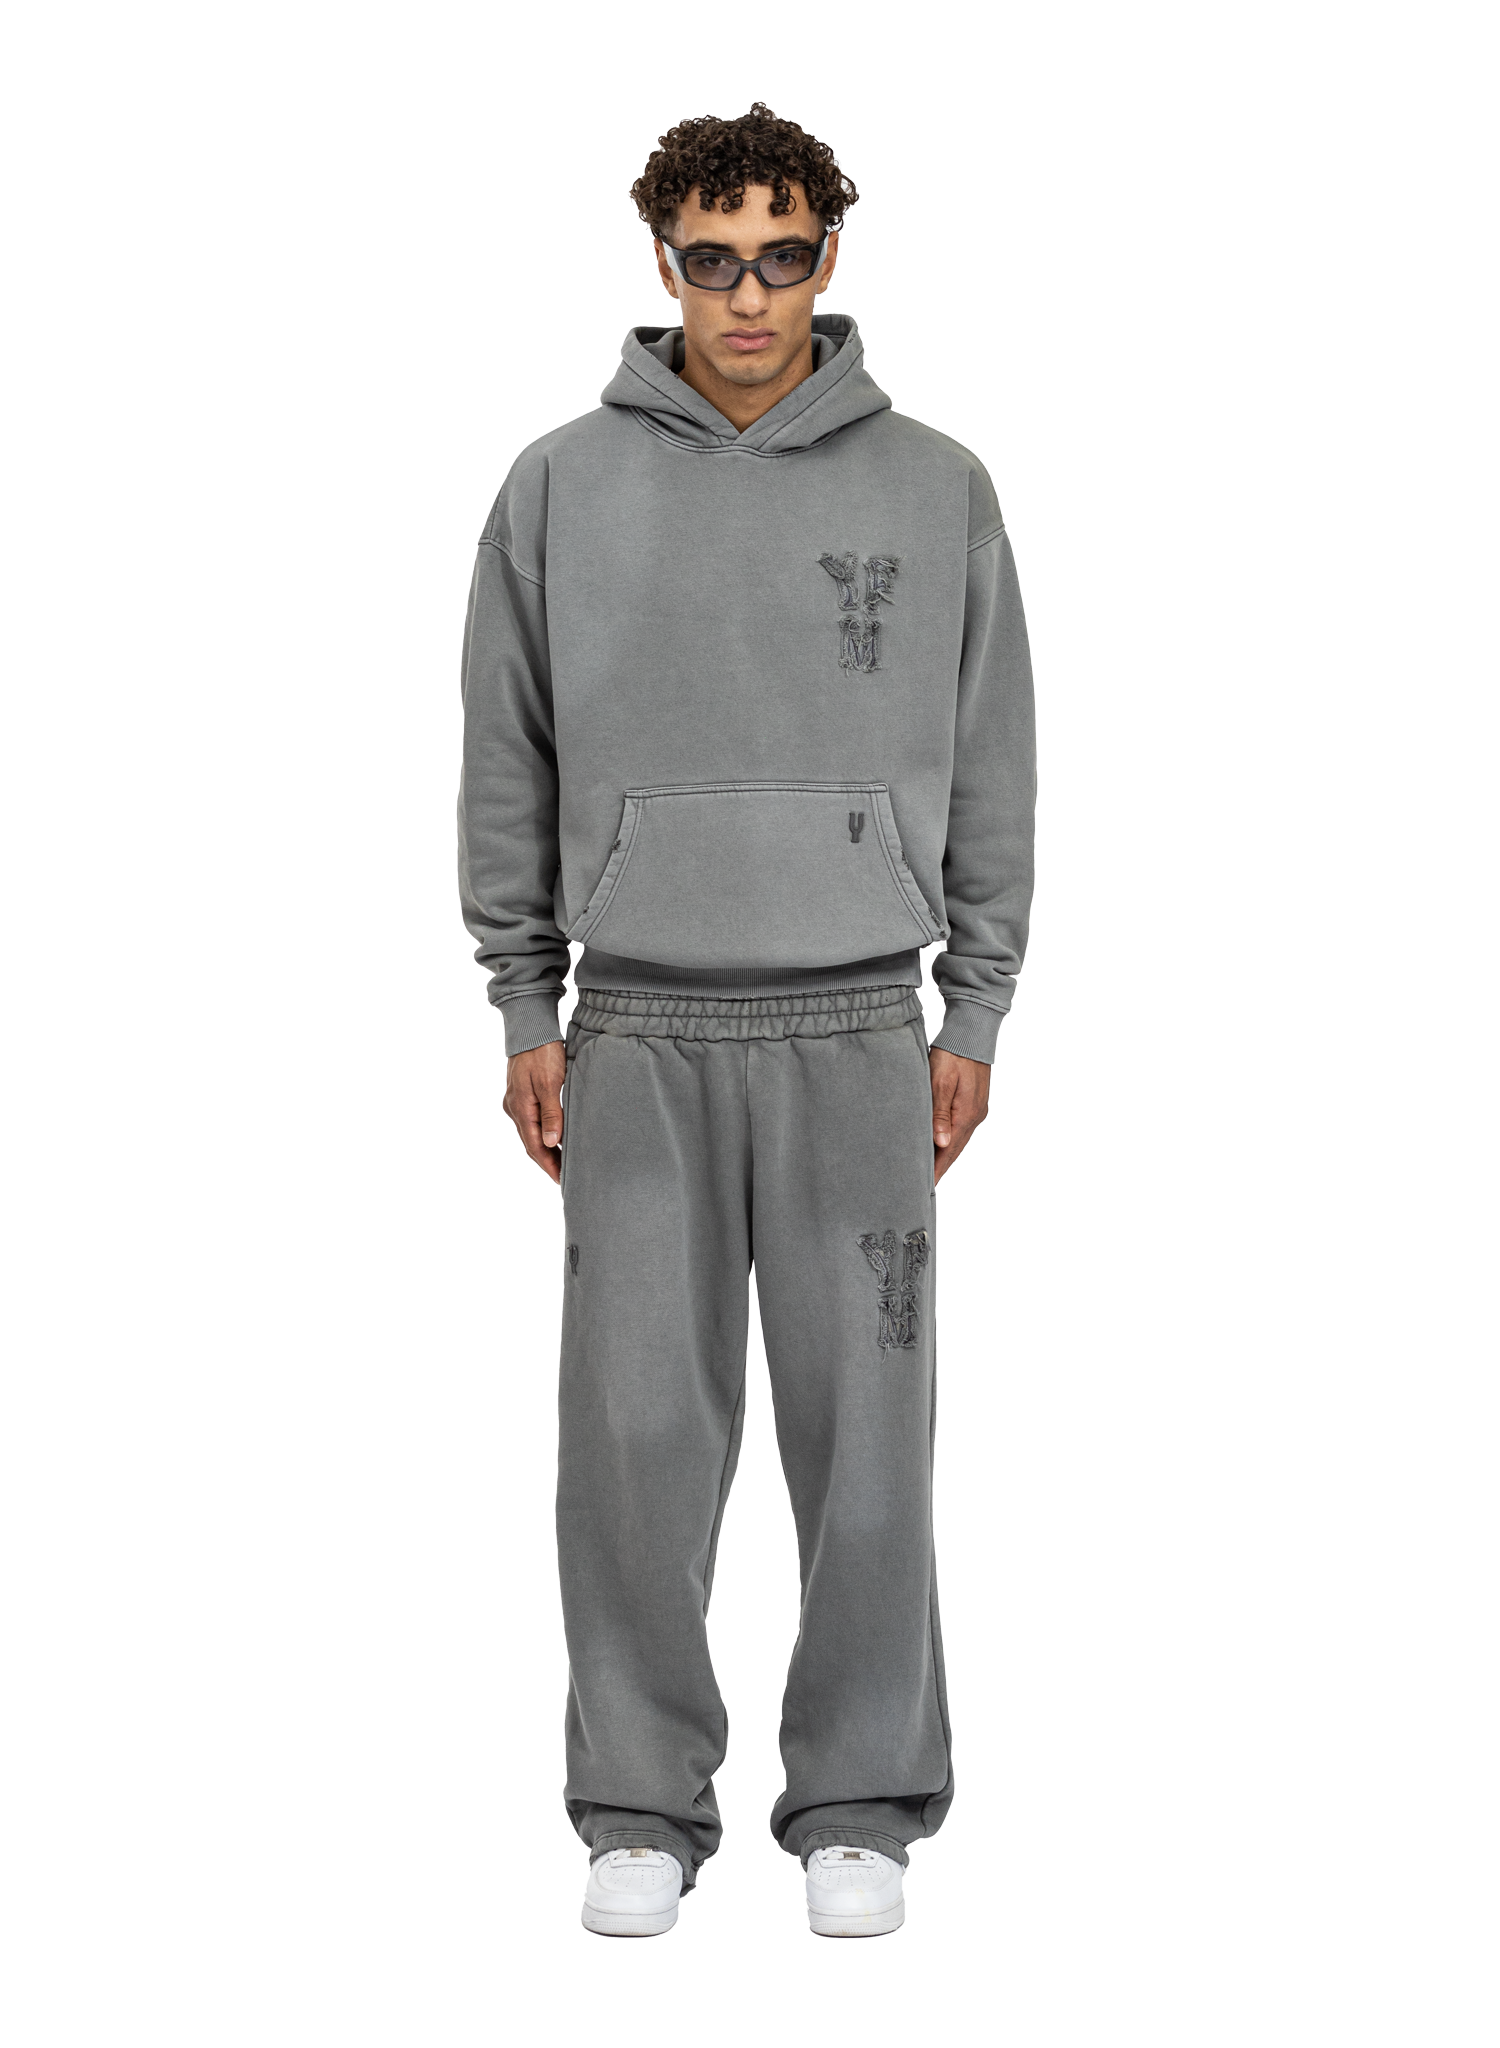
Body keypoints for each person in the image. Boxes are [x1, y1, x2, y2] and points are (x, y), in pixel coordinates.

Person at [458, 103, 1035, 1938]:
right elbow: (504, 766)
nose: (750, 296)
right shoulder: (558, 485)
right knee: (635, 1441)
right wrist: (525, 999)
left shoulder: (938, 486)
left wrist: (977, 1008)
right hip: (634, 1032)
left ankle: (859, 1801)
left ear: (828, 256)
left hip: (864, 1028)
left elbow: (998, 766)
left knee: (872, 1437)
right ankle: (640, 1803)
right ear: (663, 265)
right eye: (712, 261)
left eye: (782, 255)